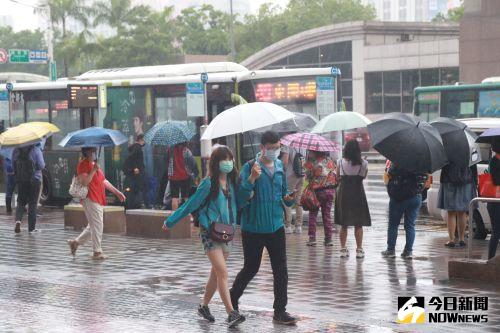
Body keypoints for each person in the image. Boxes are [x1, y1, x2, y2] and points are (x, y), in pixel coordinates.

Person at [163, 146, 245, 328]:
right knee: (222, 272)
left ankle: (203, 306)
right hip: (210, 232)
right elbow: (190, 205)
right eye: (225, 160)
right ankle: (231, 313)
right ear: (217, 163)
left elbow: (239, 204)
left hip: (227, 232)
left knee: (216, 273)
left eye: (231, 159)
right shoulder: (208, 184)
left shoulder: (232, 183)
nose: (229, 163)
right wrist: (170, 221)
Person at [230, 131, 298, 326]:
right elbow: (241, 198)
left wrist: (289, 198)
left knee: (281, 270)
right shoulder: (249, 167)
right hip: (253, 228)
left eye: (278, 147)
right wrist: (251, 179)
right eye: (272, 148)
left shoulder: (279, 166)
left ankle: (280, 311)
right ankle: (232, 297)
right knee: (251, 268)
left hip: (275, 226)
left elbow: (283, 193)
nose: (275, 151)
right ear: (262, 148)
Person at [67, 147, 126, 260]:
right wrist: (93, 170)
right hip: (90, 198)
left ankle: (75, 243)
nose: (94, 152)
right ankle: (97, 252)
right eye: (92, 151)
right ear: (87, 152)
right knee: (98, 224)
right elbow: (84, 182)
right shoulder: (83, 164)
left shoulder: (94, 163)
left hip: (98, 197)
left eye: (94, 151)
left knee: (93, 226)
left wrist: (117, 192)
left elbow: (103, 181)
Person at [381, 161, 429, 259]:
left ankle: (391, 250)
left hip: (399, 197)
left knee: (393, 224)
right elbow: (425, 181)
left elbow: (389, 174)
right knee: (410, 225)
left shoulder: (398, 160)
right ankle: (408, 251)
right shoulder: (422, 163)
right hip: (415, 197)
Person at [335, 140, 371, 258]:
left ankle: (343, 249)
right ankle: (359, 250)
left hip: (344, 194)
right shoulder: (364, 163)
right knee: (358, 223)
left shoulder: (340, 162)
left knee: (343, 223)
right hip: (358, 193)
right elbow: (363, 176)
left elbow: (337, 177)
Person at [438, 160, 476, 248]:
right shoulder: (469, 147)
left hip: (449, 180)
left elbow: (441, 163)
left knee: (451, 212)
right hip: (465, 181)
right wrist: (475, 181)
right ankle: (462, 239)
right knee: (462, 211)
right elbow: (473, 165)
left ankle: (451, 240)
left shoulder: (447, 147)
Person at [303, 150, 337, 247]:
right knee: (327, 215)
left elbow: (308, 177)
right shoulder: (329, 161)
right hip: (330, 191)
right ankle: (328, 239)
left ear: (315, 152)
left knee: (313, 214)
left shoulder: (313, 163)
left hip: (317, 192)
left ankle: (312, 238)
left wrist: (305, 166)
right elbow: (334, 174)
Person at [13, 144, 45, 233]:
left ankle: (18, 221)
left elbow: (14, 165)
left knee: (21, 202)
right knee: (32, 204)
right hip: (35, 180)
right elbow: (41, 165)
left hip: (21, 180)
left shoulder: (16, 150)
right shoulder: (36, 150)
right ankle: (31, 228)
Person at [280, 145, 305, 234]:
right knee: (299, 201)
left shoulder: (288, 145)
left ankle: (288, 225)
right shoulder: (303, 144)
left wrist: (282, 169)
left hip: (291, 176)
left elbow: (285, 162)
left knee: (288, 199)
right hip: (301, 175)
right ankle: (298, 226)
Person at [168, 142, 199, 211]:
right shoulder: (186, 150)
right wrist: (196, 173)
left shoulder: (170, 150)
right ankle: (188, 215)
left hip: (173, 177)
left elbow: (166, 160)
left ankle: (174, 216)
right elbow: (193, 163)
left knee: (174, 197)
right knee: (186, 197)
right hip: (185, 176)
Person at [123, 134, 146, 209]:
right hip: (136, 174)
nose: (144, 142)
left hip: (133, 174)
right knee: (136, 189)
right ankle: (136, 205)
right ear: (141, 140)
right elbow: (131, 158)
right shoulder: (137, 147)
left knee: (133, 189)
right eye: (144, 140)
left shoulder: (134, 147)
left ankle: (132, 205)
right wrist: (135, 168)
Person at [487, 140, 500, 259]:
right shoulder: (494, 162)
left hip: (494, 201)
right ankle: (490, 258)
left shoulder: (494, 161)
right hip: (495, 202)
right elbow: (496, 181)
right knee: (496, 232)